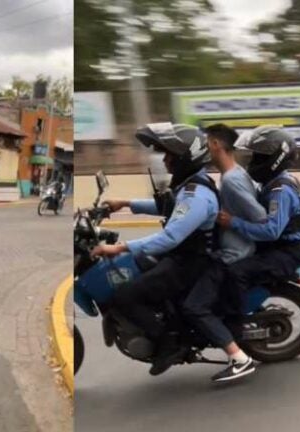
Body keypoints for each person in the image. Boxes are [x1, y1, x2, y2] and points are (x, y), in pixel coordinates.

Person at [92, 122, 219, 376]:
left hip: (190, 263)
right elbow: (169, 207)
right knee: (138, 272)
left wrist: (120, 248)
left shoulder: (196, 194)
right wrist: (126, 203)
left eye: (170, 155)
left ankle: (168, 343)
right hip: (181, 257)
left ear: (186, 157)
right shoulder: (190, 185)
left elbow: (170, 237)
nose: (166, 161)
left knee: (125, 296)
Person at [182, 124, 266, 382]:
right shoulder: (234, 173)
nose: (205, 147)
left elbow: (261, 218)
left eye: (207, 142)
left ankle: (240, 359)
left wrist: (232, 223)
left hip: (233, 256)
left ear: (216, 144)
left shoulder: (231, 180)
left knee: (193, 307)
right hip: (231, 252)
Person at [218, 125, 300, 350]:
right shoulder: (274, 182)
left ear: (276, 158)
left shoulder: (281, 190)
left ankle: (234, 328)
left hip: (286, 253)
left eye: (260, 156)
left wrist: (233, 223)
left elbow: (271, 231)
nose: (253, 162)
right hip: (279, 248)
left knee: (236, 272)